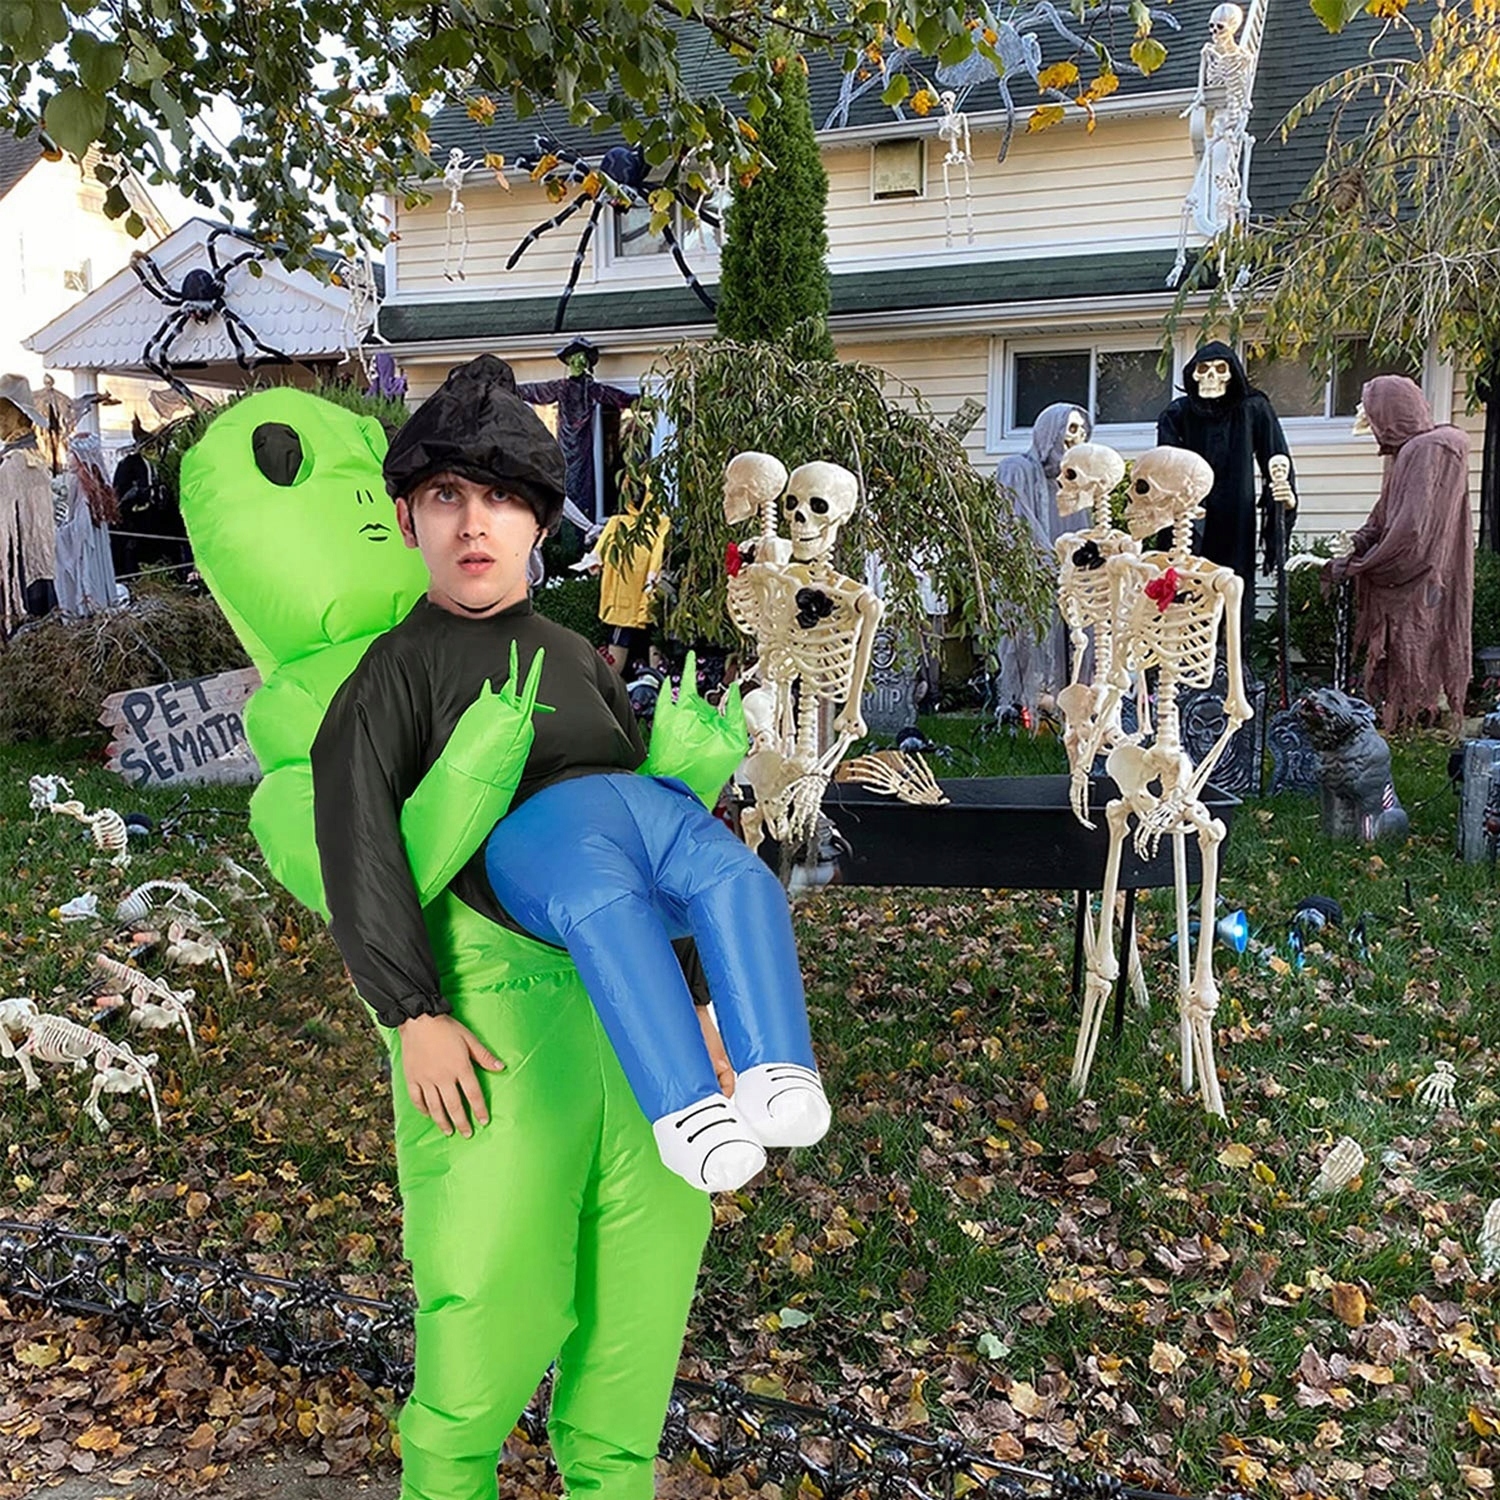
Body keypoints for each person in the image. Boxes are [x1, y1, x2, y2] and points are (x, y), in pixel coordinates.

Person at [312, 353, 827, 1195]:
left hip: (635, 811)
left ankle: (779, 1068)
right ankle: (687, 1113)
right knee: (605, 899)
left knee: (740, 879)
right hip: (536, 841)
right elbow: (355, 831)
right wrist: (414, 1013)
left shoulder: (575, 654)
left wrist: (702, 1002)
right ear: (407, 520)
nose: (474, 525)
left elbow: (633, 774)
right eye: (447, 497)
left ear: (539, 524)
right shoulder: (396, 671)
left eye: (501, 498)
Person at [1324, 374, 1473, 730]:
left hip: (1424, 571)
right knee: (1414, 635)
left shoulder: (1427, 450)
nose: (1361, 411)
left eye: (1369, 406)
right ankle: (1408, 716)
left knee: (1420, 632)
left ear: (1391, 410)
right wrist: (1357, 543)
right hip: (1425, 569)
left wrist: (1364, 564)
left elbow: (1412, 528)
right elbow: (1384, 514)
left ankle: (1419, 714)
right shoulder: (1405, 452)